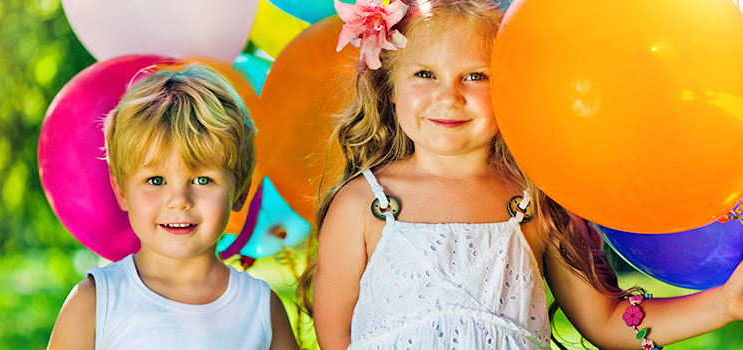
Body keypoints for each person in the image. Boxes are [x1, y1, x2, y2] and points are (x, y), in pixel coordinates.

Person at [298, 0, 743, 349]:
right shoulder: (364, 204)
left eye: (475, 76)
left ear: (515, 85)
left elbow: (607, 322)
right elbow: (336, 339)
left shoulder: (536, 202)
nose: (448, 97)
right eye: (425, 74)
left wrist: (723, 304)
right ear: (389, 89)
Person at [48, 65, 299, 350]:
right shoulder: (95, 303)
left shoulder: (261, 308)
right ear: (121, 190)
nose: (179, 199)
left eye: (203, 180)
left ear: (240, 190)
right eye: (156, 180)